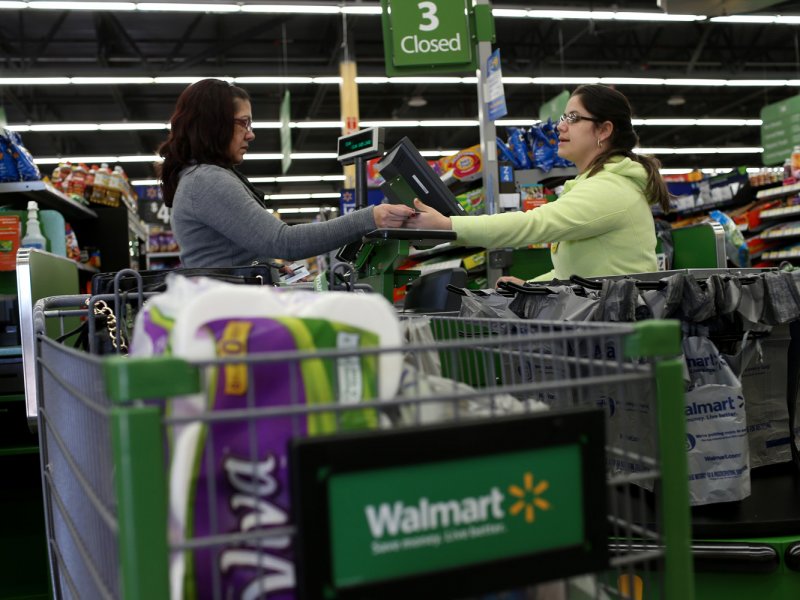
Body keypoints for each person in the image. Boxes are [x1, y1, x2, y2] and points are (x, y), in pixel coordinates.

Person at [404, 84, 670, 284]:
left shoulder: (609, 188)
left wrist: (448, 226)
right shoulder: (596, 183)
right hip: (606, 322)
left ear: (604, 130)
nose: (560, 127)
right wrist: (531, 286)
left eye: (574, 118)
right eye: (563, 118)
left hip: (622, 330)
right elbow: (577, 273)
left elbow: (531, 225)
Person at [157, 78, 413, 268]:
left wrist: (267, 266)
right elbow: (284, 242)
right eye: (243, 122)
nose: (251, 133)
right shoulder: (206, 180)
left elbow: (226, 254)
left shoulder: (198, 178)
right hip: (229, 321)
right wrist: (369, 218)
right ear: (215, 125)